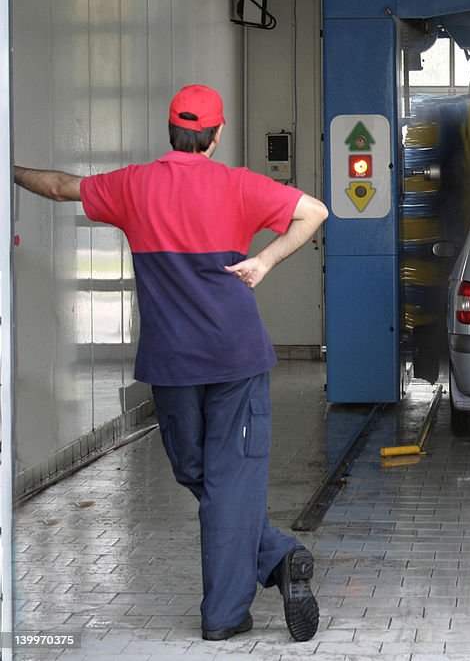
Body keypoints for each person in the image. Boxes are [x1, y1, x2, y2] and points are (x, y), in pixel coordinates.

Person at [13, 84, 328, 643]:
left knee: (197, 472)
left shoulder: (133, 185)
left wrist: (8, 168)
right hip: (235, 355)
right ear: (216, 134)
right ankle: (278, 556)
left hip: (171, 361)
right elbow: (314, 211)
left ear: (169, 130)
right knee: (222, 479)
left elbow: (60, 187)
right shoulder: (237, 184)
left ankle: (226, 612)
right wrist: (265, 260)